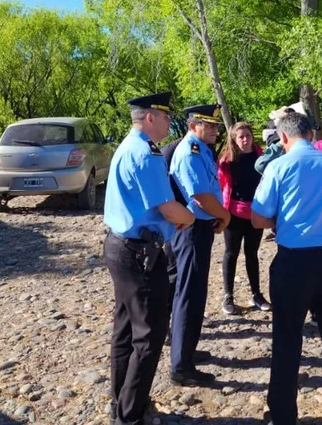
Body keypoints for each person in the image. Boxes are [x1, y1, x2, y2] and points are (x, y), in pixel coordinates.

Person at [251, 112, 322, 425]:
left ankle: (283, 415)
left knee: (286, 339)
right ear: (312, 135)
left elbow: (258, 218)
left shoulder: (278, 167)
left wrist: (285, 221)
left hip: (294, 264)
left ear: (283, 138)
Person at [103, 92, 195, 425]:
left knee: (126, 331)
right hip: (140, 254)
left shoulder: (129, 146)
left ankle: (121, 403)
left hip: (121, 247)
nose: (170, 122)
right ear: (150, 119)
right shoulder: (146, 153)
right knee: (150, 335)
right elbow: (166, 207)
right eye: (166, 116)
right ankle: (130, 415)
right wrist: (190, 218)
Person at [168, 103, 230, 386]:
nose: (216, 130)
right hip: (191, 230)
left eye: (216, 125)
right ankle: (180, 366)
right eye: (210, 125)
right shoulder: (189, 151)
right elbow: (201, 197)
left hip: (201, 227)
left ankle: (187, 352)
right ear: (194, 126)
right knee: (189, 295)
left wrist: (216, 216)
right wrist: (224, 215)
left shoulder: (202, 149)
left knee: (195, 293)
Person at [218, 121, 271, 315]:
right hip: (233, 214)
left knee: (252, 254)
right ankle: (228, 295)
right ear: (234, 139)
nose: (245, 140)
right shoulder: (227, 161)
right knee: (231, 254)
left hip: (255, 214)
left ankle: (256, 294)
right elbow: (220, 186)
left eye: (247, 136)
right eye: (240, 137)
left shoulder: (261, 157)